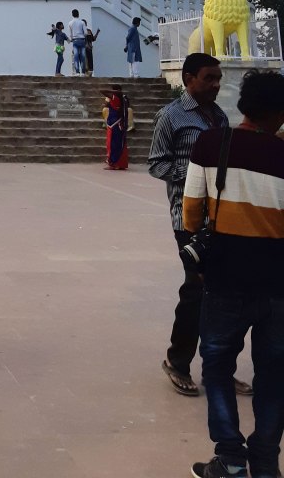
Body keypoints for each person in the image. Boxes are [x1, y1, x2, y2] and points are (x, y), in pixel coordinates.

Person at [183, 69, 284, 478]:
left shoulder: (212, 143)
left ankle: (231, 458)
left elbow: (191, 212)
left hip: (224, 278)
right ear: (276, 112)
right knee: (274, 375)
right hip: (279, 285)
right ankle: (265, 462)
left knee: (218, 366)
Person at [148, 53, 251, 399]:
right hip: (187, 217)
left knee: (224, 293)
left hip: (221, 216)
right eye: (209, 78)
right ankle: (177, 362)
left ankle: (219, 369)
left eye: (218, 78)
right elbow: (156, 164)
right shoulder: (171, 116)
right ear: (189, 78)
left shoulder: (220, 116)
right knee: (196, 289)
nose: (216, 85)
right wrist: (194, 176)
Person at [102, 84, 130, 171]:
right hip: (117, 123)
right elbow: (107, 104)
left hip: (115, 124)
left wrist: (113, 92)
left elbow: (101, 90)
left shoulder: (117, 98)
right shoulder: (122, 98)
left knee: (113, 144)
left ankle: (114, 164)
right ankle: (119, 163)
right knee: (118, 144)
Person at [67, 9, 88, 76]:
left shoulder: (70, 23)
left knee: (76, 56)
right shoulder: (82, 22)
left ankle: (77, 72)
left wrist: (72, 38)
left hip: (75, 41)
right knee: (82, 56)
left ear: (72, 15)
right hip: (82, 40)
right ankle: (83, 72)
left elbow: (70, 35)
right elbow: (86, 33)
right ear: (78, 14)